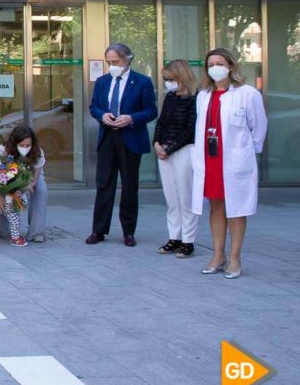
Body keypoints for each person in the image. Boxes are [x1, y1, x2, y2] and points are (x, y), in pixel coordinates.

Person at [191, 48, 267, 279]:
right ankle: (218, 255)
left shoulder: (248, 93)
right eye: (211, 63)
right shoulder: (203, 95)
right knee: (215, 206)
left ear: (231, 66)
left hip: (234, 160)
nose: (215, 67)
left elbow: (259, 127)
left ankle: (235, 258)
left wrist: (246, 153)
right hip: (210, 160)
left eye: (220, 63)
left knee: (236, 208)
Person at [86, 43, 158, 247]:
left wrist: (131, 118)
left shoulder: (142, 82)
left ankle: (128, 231)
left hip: (130, 137)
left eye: (115, 62)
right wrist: (102, 115)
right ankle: (98, 230)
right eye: (108, 62)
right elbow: (94, 107)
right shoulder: (102, 82)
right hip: (108, 136)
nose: (112, 66)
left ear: (127, 60)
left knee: (129, 186)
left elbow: (151, 110)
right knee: (104, 185)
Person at [154, 59, 198, 258]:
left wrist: (169, 148)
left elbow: (191, 129)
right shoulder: (170, 97)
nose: (167, 82)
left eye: (170, 79)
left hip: (184, 151)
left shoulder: (195, 98)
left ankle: (188, 241)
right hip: (164, 152)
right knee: (171, 198)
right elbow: (161, 122)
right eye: (165, 79)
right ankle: (174, 237)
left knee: (185, 197)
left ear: (181, 77)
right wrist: (157, 143)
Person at [0, 125, 48, 247]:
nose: (25, 148)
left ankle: (36, 232)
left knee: (41, 190)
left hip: (30, 175)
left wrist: (24, 188)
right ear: (14, 143)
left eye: (28, 146)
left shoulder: (38, 152)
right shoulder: (3, 150)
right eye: (21, 145)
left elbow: (35, 179)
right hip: (5, 174)